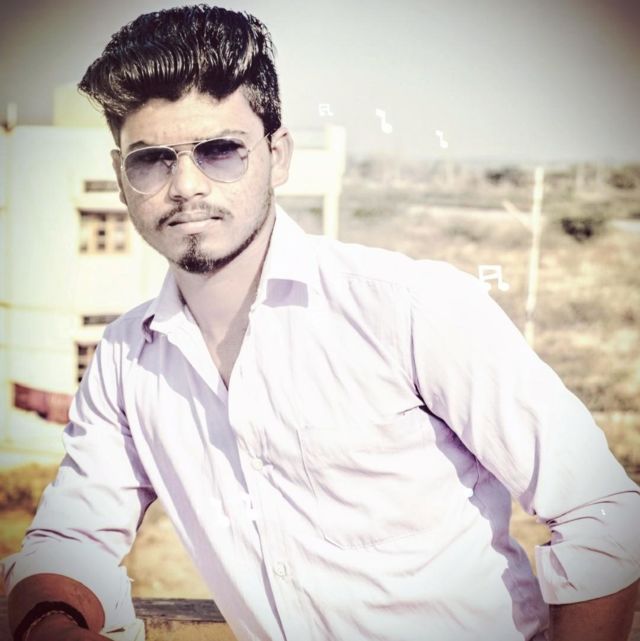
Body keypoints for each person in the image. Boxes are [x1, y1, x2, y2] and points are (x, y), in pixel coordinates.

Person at [3, 5, 639, 641]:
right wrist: (53, 625)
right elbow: (71, 542)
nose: (185, 186)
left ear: (278, 156)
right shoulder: (124, 361)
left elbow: (601, 511)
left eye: (221, 151)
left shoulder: (409, 309)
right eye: (152, 160)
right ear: (121, 178)